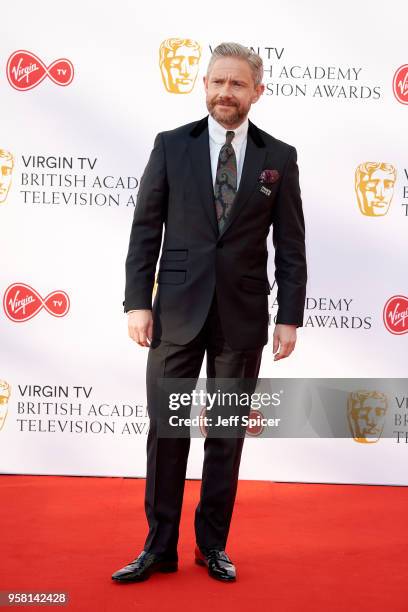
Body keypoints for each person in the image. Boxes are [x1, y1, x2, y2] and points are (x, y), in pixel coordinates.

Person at [112, 41, 307, 584]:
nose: (226, 91)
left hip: (241, 317)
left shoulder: (279, 157)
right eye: (217, 81)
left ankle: (212, 545)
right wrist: (136, 303)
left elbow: (291, 245)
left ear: (256, 92)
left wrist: (288, 315)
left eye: (238, 83)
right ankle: (158, 546)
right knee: (167, 433)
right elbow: (146, 227)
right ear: (204, 86)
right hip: (173, 312)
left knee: (225, 436)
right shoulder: (172, 145)